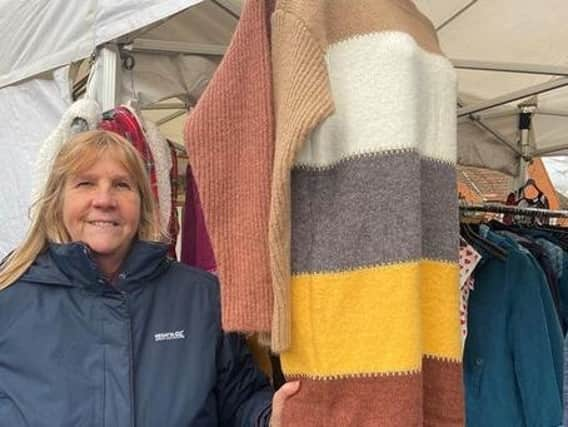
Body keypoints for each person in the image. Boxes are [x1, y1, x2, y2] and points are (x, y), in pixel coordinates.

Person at [0, 130, 299, 426]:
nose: (104, 199)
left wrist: (269, 417)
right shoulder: (10, 296)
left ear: (142, 202)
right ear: (57, 200)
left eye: (121, 185)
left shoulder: (201, 297)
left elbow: (239, 399)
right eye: (85, 183)